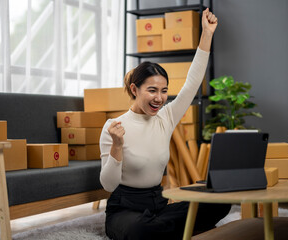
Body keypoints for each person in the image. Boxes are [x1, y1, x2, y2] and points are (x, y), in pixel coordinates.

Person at [99, 8, 231, 240]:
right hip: (125, 208)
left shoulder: (166, 117)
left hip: (158, 204)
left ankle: (165, 228)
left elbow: (192, 82)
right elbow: (109, 185)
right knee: (140, 229)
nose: (159, 98)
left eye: (163, 91)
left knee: (220, 203)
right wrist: (117, 147)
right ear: (134, 89)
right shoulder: (115, 126)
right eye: (152, 90)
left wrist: (207, 34)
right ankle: (173, 229)